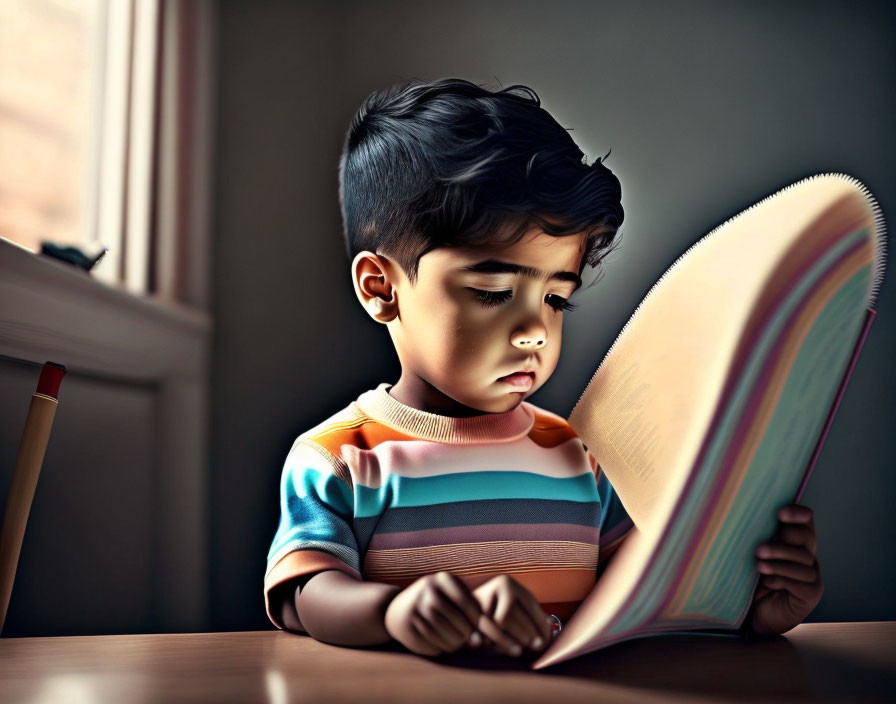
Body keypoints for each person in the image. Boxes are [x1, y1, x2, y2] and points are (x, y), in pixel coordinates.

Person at [263, 77, 824, 660]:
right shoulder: (337, 457)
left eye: (556, 300)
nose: (535, 331)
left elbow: (641, 598)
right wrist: (392, 611)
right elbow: (305, 594)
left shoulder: (578, 457)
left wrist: (752, 608)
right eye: (493, 292)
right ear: (381, 288)